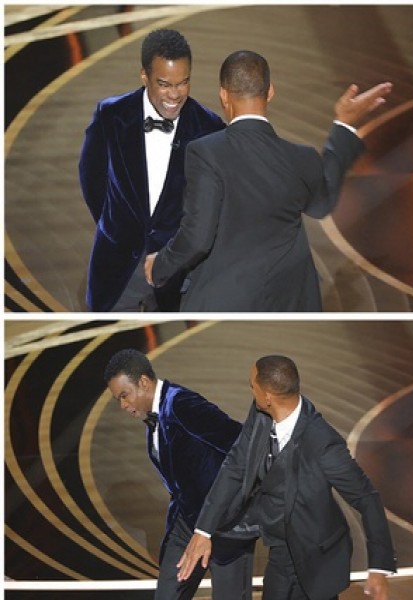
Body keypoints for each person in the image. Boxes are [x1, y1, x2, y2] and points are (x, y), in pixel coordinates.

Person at [144, 50, 393, 311]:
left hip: (224, 303)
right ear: (270, 91)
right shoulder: (301, 158)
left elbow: (197, 237)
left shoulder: (205, 152)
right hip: (293, 304)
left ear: (223, 95)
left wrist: (159, 265)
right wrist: (343, 125)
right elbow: (322, 203)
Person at [176, 355, 396, 600]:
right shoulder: (260, 414)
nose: (251, 390)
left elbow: (367, 497)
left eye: (253, 385)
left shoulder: (323, 444)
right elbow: (235, 466)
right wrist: (203, 531)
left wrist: (379, 567)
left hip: (316, 556)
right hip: (279, 551)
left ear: (268, 396)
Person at [79, 29, 225, 312]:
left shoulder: (210, 128)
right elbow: (90, 176)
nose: (175, 94)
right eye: (164, 84)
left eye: (183, 83)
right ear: (144, 76)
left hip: (178, 275)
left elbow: (215, 204)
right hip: (118, 271)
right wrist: (116, 226)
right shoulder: (110, 115)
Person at [104, 349, 256, 600]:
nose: (123, 405)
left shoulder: (181, 404)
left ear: (143, 383)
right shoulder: (154, 418)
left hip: (226, 523)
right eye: (118, 399)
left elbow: (241, 444)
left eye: (124, 395)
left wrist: (239, 504)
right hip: (186, 523)